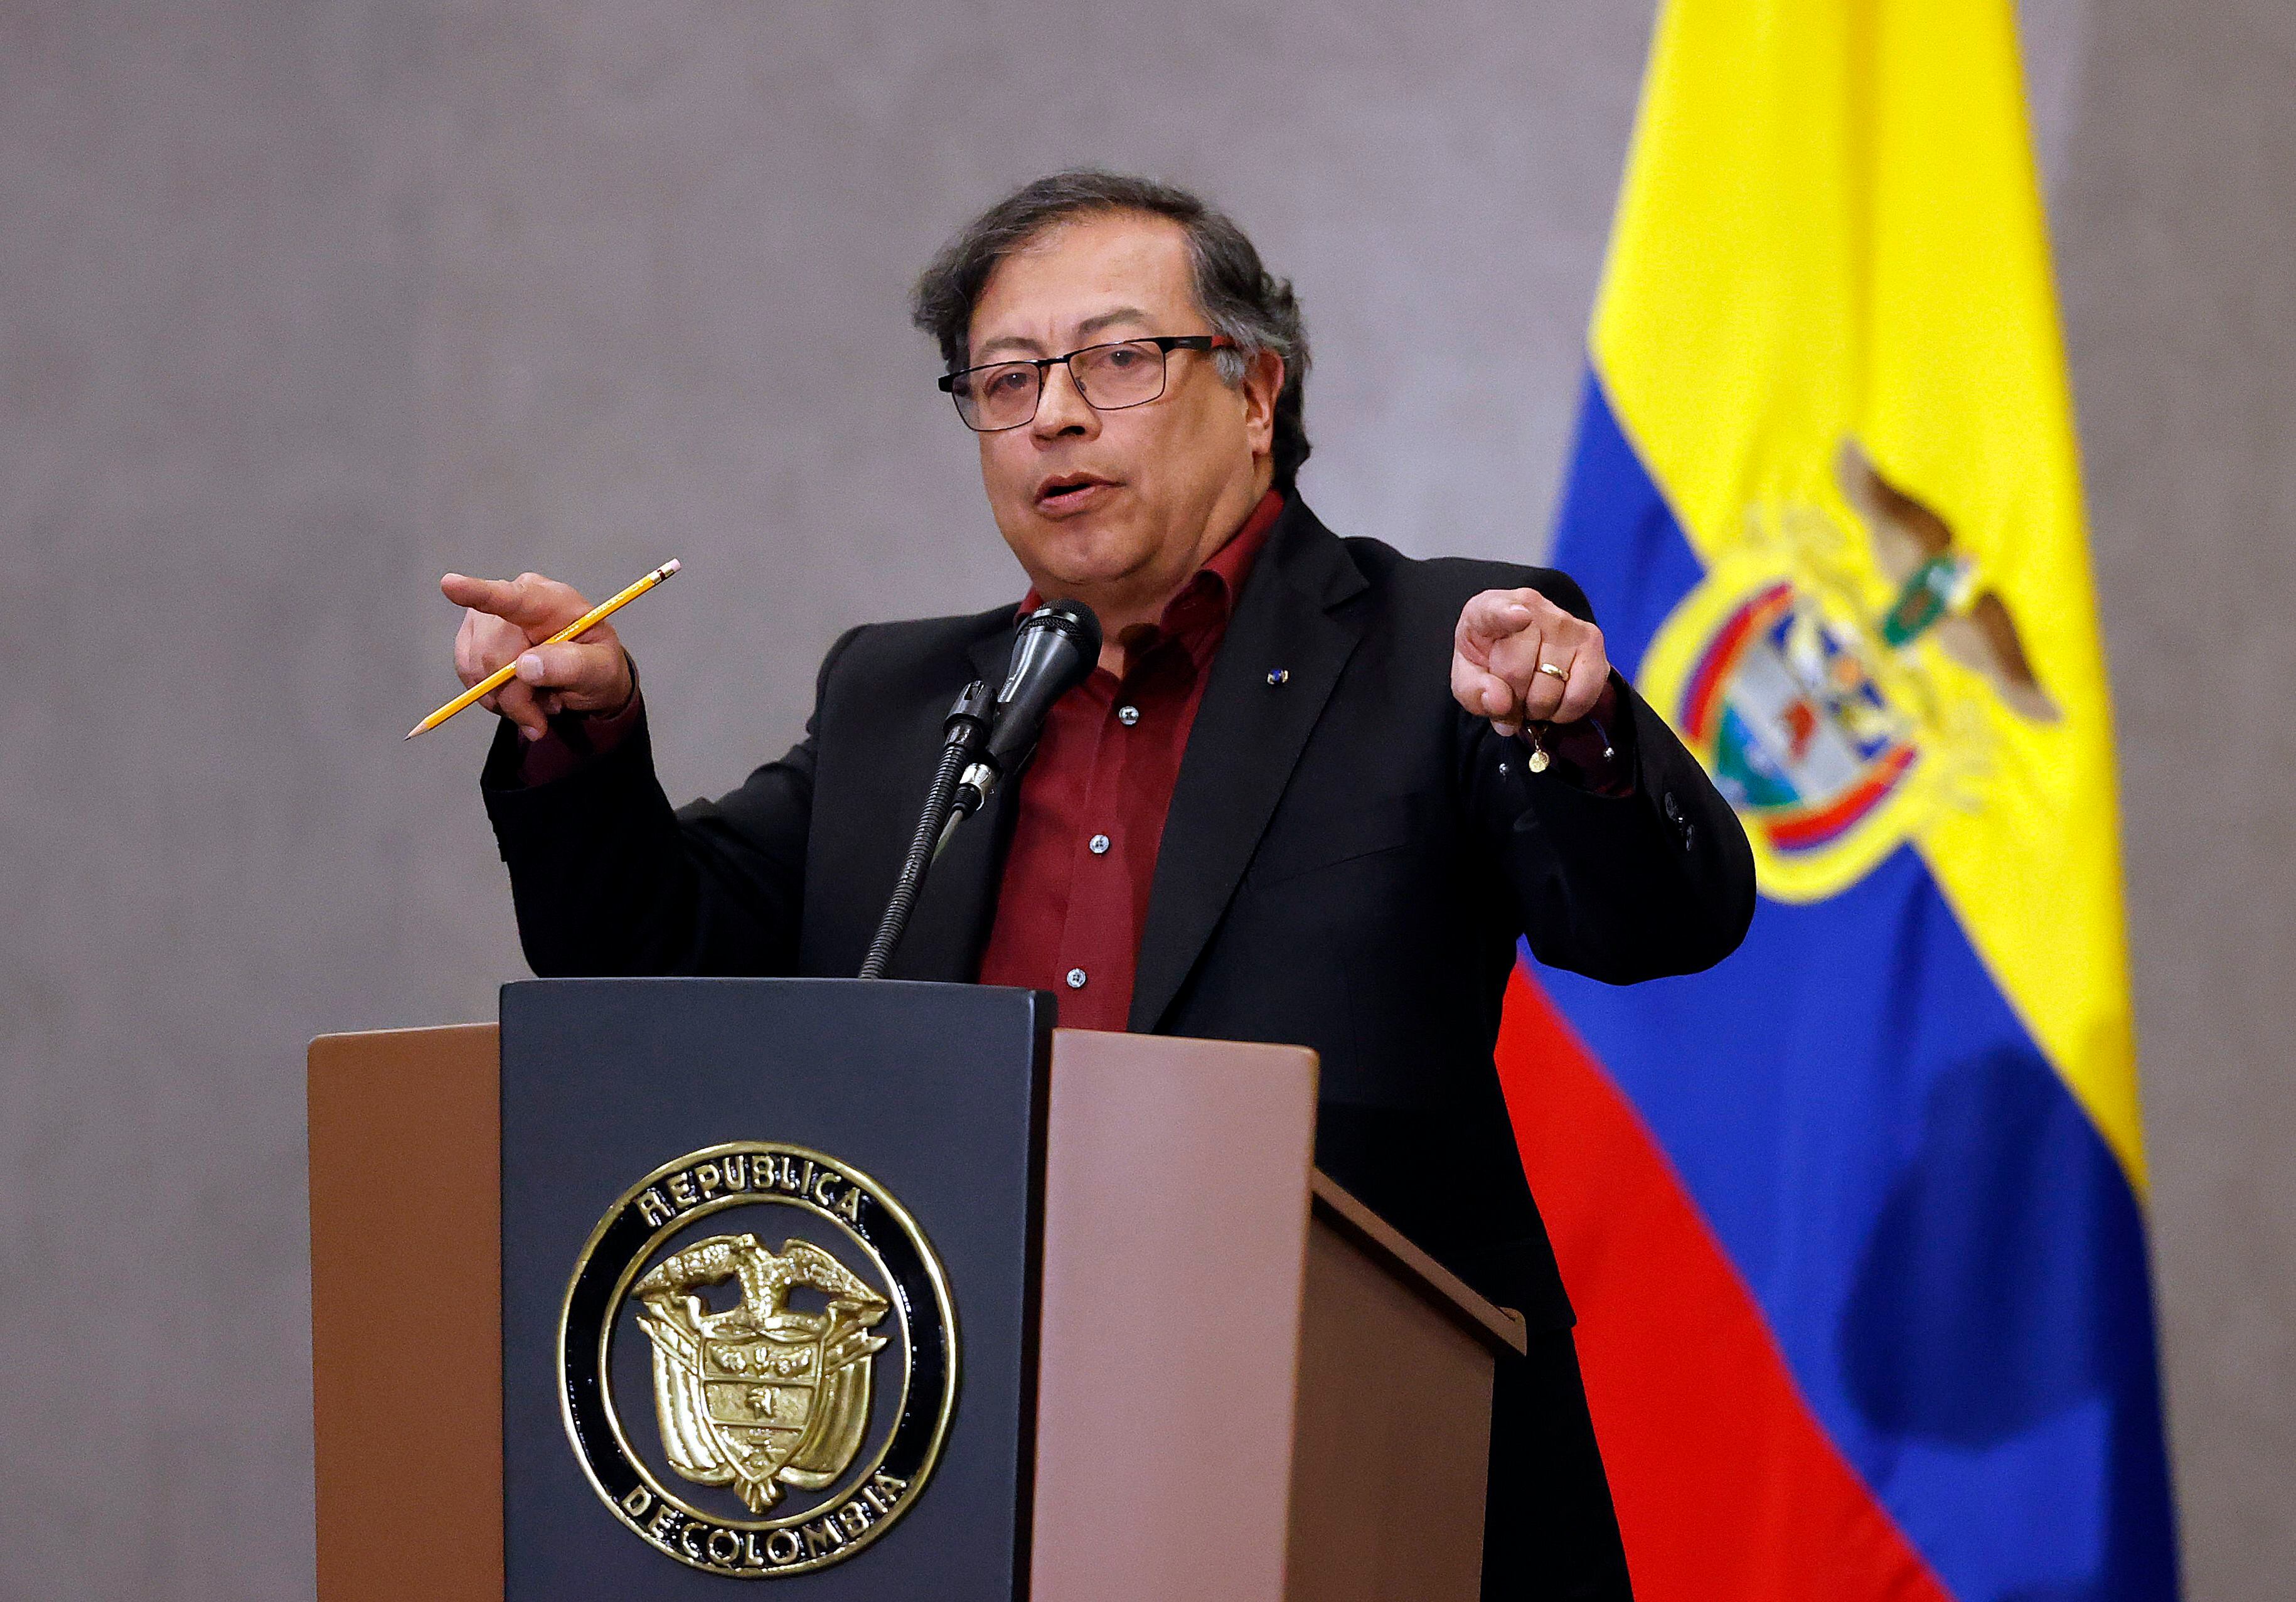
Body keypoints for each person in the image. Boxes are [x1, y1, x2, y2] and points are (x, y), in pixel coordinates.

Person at [444, 171, 1754, 1599]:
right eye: (1006, 380)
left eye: (1116, 359)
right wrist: (585, 745)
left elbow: (1659, 924)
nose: (1054, 414)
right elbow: (657, 960)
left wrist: (1579, 733)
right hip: (961, 1465)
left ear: (1256, 393)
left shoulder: (1435, 644)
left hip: (1360, 1451)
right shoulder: (902, 696)